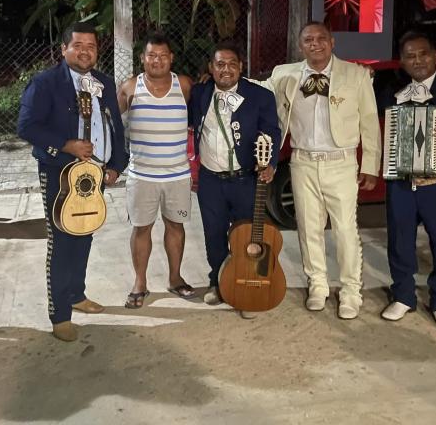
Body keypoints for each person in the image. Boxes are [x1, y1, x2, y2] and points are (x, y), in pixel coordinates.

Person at [259, 22, 380, 319]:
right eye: (308, 40)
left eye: (321, 38)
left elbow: (370, 122)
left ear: (332, 41)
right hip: (302, 161)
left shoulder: (356, 74)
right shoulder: (284, 74)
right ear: (300, 45)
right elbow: (253, 91)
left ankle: (351, 291)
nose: (315, 44)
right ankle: (318, 285)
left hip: (341, 162)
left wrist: (371, 166)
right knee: (308, 228)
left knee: (345, 230)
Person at [18, 22, 127, 342]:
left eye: (91, 46)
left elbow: (115, 128)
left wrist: (117, 165)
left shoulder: (104, 82)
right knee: (62, 240)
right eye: (78, 45)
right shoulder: (45, 83)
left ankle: (77, 295)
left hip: (96, 174)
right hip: (60, 173)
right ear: (63, 49)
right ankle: (59, 315)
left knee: (85, 232)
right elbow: (26, 127)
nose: (85, 51)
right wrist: (66, 145)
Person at [377, 31, 436, 332]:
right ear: (402, 61)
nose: (417, 60)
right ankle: (404, 295)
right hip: (401, 181)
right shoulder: (392, 90)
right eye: (409, 55)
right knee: (400, 240)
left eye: (422, 53)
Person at [189, 40, 281, 317]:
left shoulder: (260, 96)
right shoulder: (200, 93)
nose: (225, 69)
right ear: (210, 68)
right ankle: (217, 282)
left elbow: (272, 132)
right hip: (211, 180)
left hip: (246, 180)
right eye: (219, 64)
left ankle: (250, 287)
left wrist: (271, 163)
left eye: (231, 64)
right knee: (213, 234)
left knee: (249, 235)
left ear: (241, 67)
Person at [117, 32, 195, 309]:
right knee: (141, 229)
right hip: (142, 175)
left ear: (171, 58)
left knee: (176, 226)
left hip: (177, 175)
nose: (157, 60)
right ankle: (140, 282)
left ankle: (175, 278)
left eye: (163, 56)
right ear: (142, 58)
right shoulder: (129, 87)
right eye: (151, 55)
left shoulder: (184, 85)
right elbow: (114, 125)